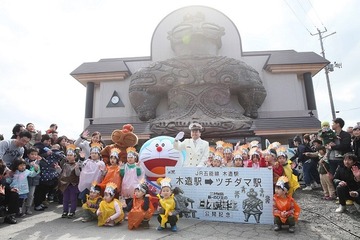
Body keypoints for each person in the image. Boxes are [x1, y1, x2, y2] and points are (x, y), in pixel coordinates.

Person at [56, 144, 80, 219]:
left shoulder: (77, 164)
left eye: (71, 155)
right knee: (65, 198)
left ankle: (72, 211)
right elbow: (62, 173)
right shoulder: (65, 164)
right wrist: (58, 168)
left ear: (75, 156)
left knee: (73, 198)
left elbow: (78, 174)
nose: (69, 156)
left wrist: (77, 168)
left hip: (73, 184)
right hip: (65, 184)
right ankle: (65, 211)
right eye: (68, 155)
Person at [0, 159, 19, 224]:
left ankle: (10, 215)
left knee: (14, 194)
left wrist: (10, 189)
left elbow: (4, 184)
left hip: (2, 195)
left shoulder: (2, 178)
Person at [24, 147, 42, 215]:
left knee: (31, 195)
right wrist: (28, 165)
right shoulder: (24, 161)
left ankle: (28, 208)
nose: (34, 156)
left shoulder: (37, 162)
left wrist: (36, 167)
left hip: (33, 181)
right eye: (32, 154)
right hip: (24, 181)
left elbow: (38, 171)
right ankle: (20, 209)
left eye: (35, 154)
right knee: (23, 195)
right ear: (28, 154)